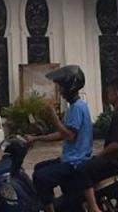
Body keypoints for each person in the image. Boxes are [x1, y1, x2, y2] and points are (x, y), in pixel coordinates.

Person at [28, 65, 93, 212]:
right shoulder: (75, 107)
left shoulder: (77, 108)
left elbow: (69, 136)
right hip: (70, 158)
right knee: (39, 167)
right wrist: (37, 138)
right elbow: (62, 134)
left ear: (70, 87)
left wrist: (54, 118)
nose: (60, 91)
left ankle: (49, 209)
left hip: (75, 162)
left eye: (61, 87)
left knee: (40, 177)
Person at [76, 77, 118, 212]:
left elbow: (115, 144)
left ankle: (94, 207)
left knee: (82, 169)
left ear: (116, 93)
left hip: (116, 159)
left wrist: (100, 155)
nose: (107, 95)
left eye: (109, 92)